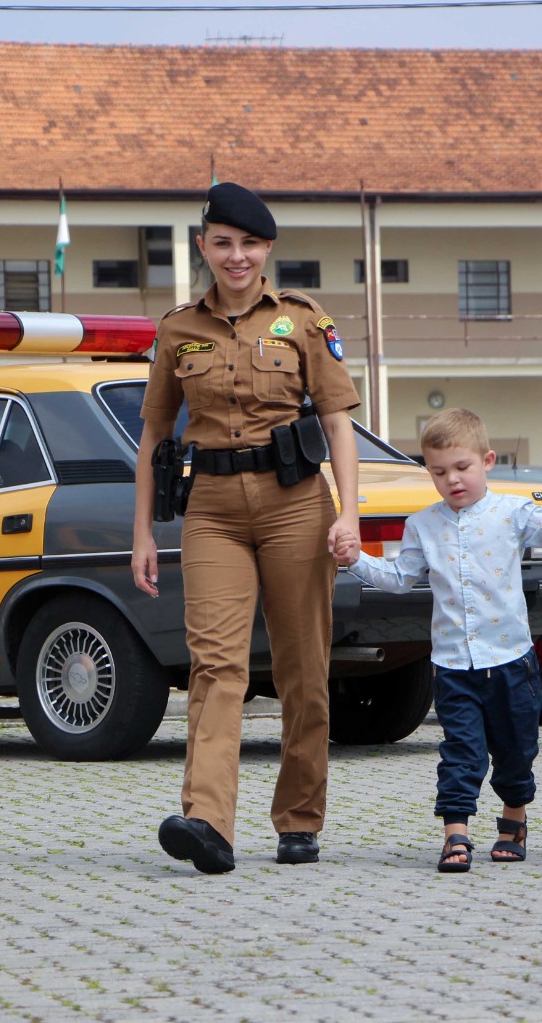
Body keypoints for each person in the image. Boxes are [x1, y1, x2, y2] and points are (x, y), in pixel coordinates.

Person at [133, 182, 362, 875]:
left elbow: (337, 423)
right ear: (203, 246)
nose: (237, 257)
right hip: (212, 509)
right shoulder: (178, 329)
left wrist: (349, 512)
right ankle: (209, 823)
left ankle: (298, 817)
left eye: (250, 244)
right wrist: (142, 530)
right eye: (223, 243)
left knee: (302, 669)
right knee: (215, 664)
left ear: (267, 250)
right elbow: (152, 435)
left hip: (295, 502)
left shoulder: (301, 320)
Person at [332, 408, 542, 872]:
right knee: (461, 751)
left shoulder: (513, 511)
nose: (452, 480)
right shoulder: (422, 525)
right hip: (453, 666)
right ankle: (456, 833)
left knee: (515, 753)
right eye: (439, 471)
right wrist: (355, 560)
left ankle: (514, 818)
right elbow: (400, 578)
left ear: (487, 460)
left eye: (462, 467)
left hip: (512, 662)